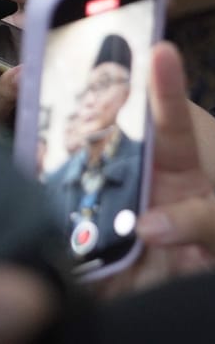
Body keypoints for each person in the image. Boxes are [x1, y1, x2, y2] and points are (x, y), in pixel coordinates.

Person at [45, 34, 143, 261]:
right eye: (88, 89)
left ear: (126, 93)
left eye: (104, 85)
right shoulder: (54, 182)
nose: (90, 100)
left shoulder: (145, 162)